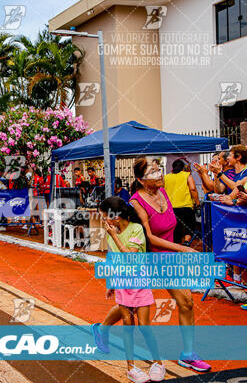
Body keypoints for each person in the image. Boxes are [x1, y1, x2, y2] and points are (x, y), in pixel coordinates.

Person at [92, 158, 211, 373]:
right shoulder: (137, 202)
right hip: (145, 258)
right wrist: (182, 249)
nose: (159, 174)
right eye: (153, 172)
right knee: (131, 305)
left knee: (186, 302)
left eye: (159, 170)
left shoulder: (163, 193)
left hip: (167, 257)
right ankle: (102, 330)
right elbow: (148, 237)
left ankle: (188, 354)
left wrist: (177, 250)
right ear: (140, 180)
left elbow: (169, 225)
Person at [92, 196, 165, 382]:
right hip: (122, 283)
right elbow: (112, 258)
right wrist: (111, 283)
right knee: (127, 325)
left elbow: (131, 256)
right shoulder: (113, 233)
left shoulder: (136, 229)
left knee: (144, 326)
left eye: (105, 216)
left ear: (115, 217)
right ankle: (131, 367)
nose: (104, 221)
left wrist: (114, 236)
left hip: (139, 282)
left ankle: (158, 363)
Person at [164, 160, 200, 245]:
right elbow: (193, 188)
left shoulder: (166, 177)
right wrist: (197, 203)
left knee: (176, 227)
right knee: (189, 224)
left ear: (173, 168)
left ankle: (176, 245)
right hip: (186, 206)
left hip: (171, 208)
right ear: (183, 168)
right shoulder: (187, 175)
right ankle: (187, 242)